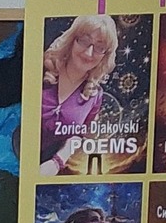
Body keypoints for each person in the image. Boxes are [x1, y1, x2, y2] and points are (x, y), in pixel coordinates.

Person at [40, 15, 118, 172]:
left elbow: (79, 135)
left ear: (105, 55)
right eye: (83, 41)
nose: (89, 53)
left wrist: (57, 162)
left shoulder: (95, 95)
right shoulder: (43, 67)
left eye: (99, 47)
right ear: (71, 40)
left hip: (45, 167)